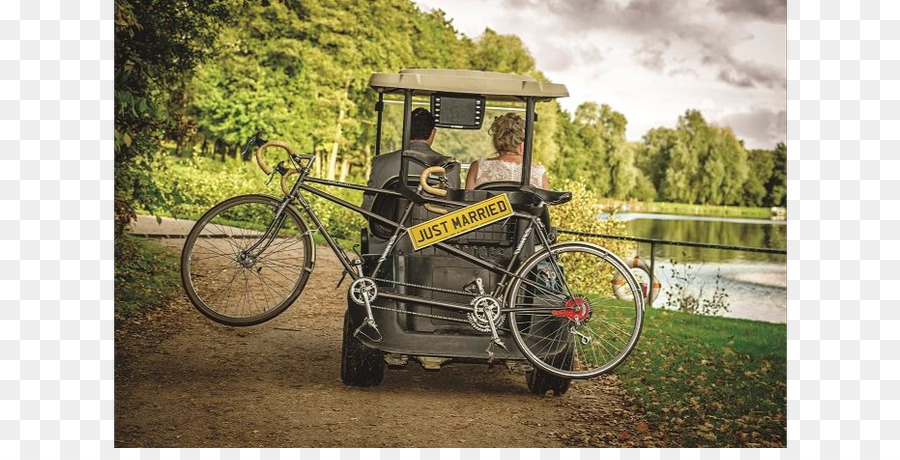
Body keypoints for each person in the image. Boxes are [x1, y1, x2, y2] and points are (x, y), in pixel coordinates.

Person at [363, 108, 460, 212]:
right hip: (433, 227)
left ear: (405, 131)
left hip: (388, 227)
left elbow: (368, 207)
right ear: (433, 133)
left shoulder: (380, 162)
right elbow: (453, 209)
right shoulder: (451, 168)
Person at [465, 112, 549, 190]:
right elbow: (543, 205)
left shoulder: (478, 167)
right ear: (523, 142)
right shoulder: (539, 173)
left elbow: (468, 202)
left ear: (496, 140)